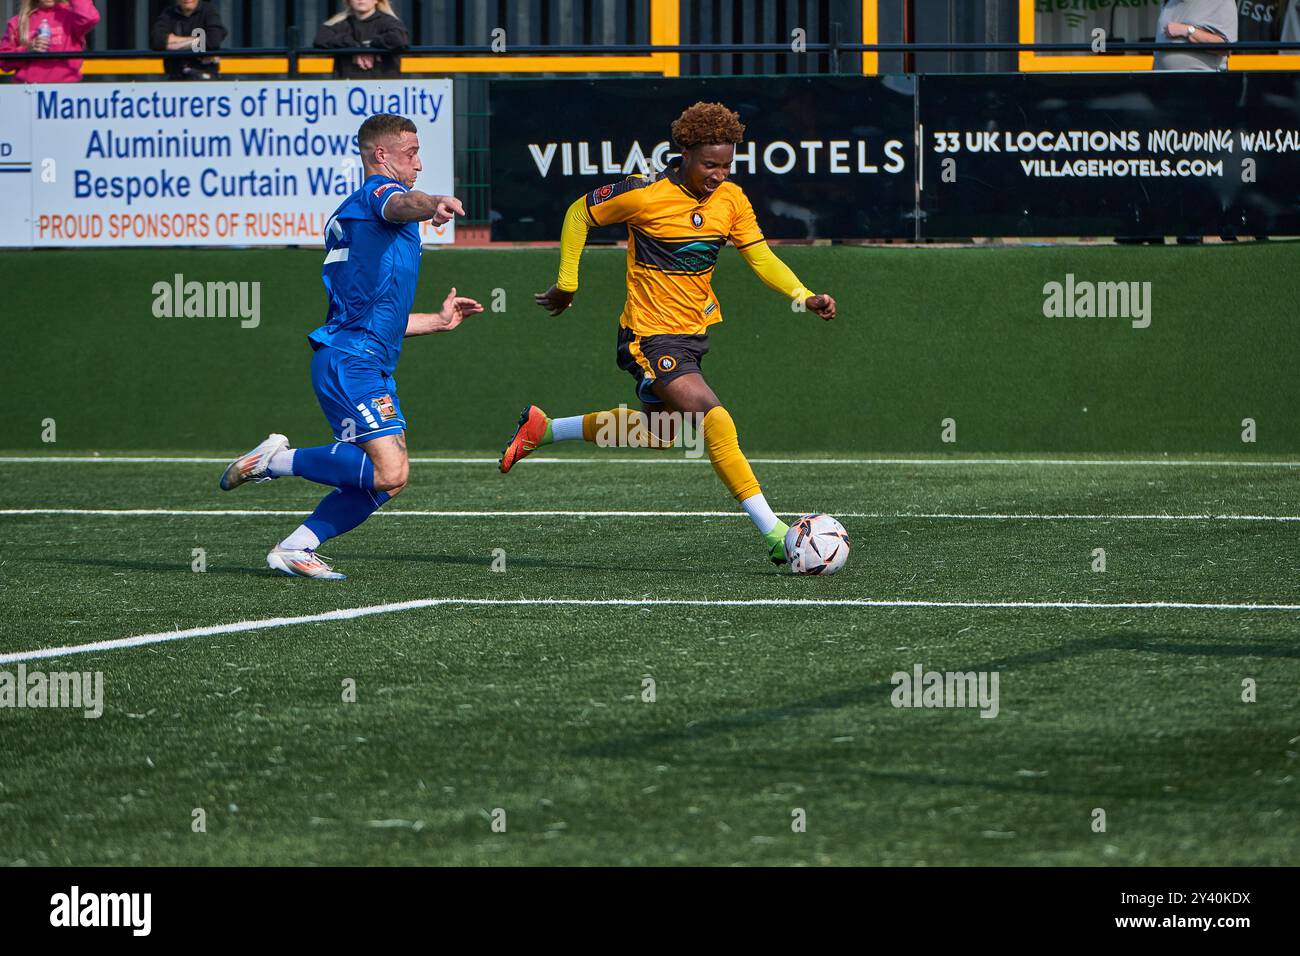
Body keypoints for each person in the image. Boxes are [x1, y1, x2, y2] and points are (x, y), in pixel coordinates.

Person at [498, 102, 837, 567]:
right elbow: (579, 214)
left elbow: (760, 258)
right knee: (713, 417)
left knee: (660, 433)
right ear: (684, 153)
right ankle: (775, 532)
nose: (719, 174)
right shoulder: (645, 193)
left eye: (727, 164)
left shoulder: (732, 201)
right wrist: (568, 283)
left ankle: (546, 428)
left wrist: (804, 294)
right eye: (709, 164)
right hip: (649, 335)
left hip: (693, 334)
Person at [218, 113, 483, 580]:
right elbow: (402, 204)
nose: (419, 163)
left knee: (391, 479)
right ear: (381, 155)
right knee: (387, 472)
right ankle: (273, 462)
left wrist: (437, 322)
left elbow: (378, 317)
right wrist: (434, 203)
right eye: (411, 153)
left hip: (366, 357)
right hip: (350, 361)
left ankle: (297, 547)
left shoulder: (364, 220)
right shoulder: (378, 196)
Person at [0, 0, 99, 84]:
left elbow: (89, 17)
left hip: (65, 93)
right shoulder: (18, 22)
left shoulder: (71, 16)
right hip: (27, 93)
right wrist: (26, 50)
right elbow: (3, 61)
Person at [313, 0, 408, 79]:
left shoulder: (389, 22)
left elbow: (399, 39)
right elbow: (320, 39)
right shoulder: (340, 23)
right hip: (346, 89)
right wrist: (355, 48)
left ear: (376, 1)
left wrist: (368, 47)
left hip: (384, 92)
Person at [149, 0, 227, 81]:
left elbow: (213, 40)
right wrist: (198, 40)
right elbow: (156, 41)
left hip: (205, 78)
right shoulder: (169, 12)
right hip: (176, 78)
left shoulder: (209, 11)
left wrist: (174, 44)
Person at [1153, 0, 1237, 71]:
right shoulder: (1169, 2)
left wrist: (1187, 30)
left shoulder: (1222, 2)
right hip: (1163, 82)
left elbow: (1225, 48)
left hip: (1202, 83)